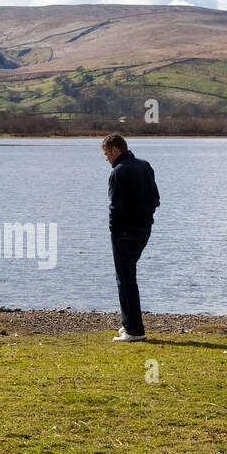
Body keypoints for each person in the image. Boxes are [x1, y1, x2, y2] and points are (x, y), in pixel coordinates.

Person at [102, 133, 159, 342]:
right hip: (144, 230)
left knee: (125, 280)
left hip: (123, 233)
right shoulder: (145, 166)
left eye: (106, 153)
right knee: (128, 277)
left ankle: (134, 330)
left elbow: (115, 208)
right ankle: (129, 323)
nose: (106, 158)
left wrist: (113, 231)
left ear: (115, 150)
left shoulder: (118, 172)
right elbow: (156, 199)